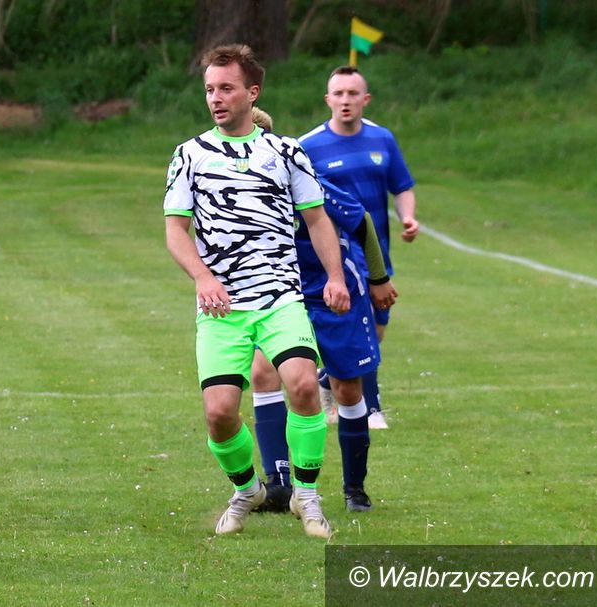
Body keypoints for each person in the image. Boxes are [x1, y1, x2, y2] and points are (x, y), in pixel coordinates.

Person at [164, 45, 350, 538]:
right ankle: (247, 489)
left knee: (304, 385)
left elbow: (317, 219)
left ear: (252, 92)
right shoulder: (189, 155)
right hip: (222, 306)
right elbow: (176, 231)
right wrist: (203, 277)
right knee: (219, 413)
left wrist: (335, 276)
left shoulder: (286, 152)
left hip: (280, 297)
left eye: (226, 88)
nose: (215, 98)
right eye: (209, 89)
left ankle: (306, 495)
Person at [249, 107, 398, 514]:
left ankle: (354, 488)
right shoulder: (242, 191)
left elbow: (361, 220)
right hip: (284, 296)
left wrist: (378, 279)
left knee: (348, 388)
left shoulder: (304, 178)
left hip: (337, 295)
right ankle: (279, 484)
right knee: (263, 373)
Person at [298, 65, 419, 430]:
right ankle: (371, 408)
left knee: (377, 330)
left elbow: (402, 186)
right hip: (338, 258)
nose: (345, 100)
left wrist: (408, 217)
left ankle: (327, 380)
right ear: (328, 99)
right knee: (361, 331)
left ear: (365, 99)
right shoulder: (308, 146)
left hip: (376, 251)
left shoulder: (383, 139)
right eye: (339, 93)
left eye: (353, 93)